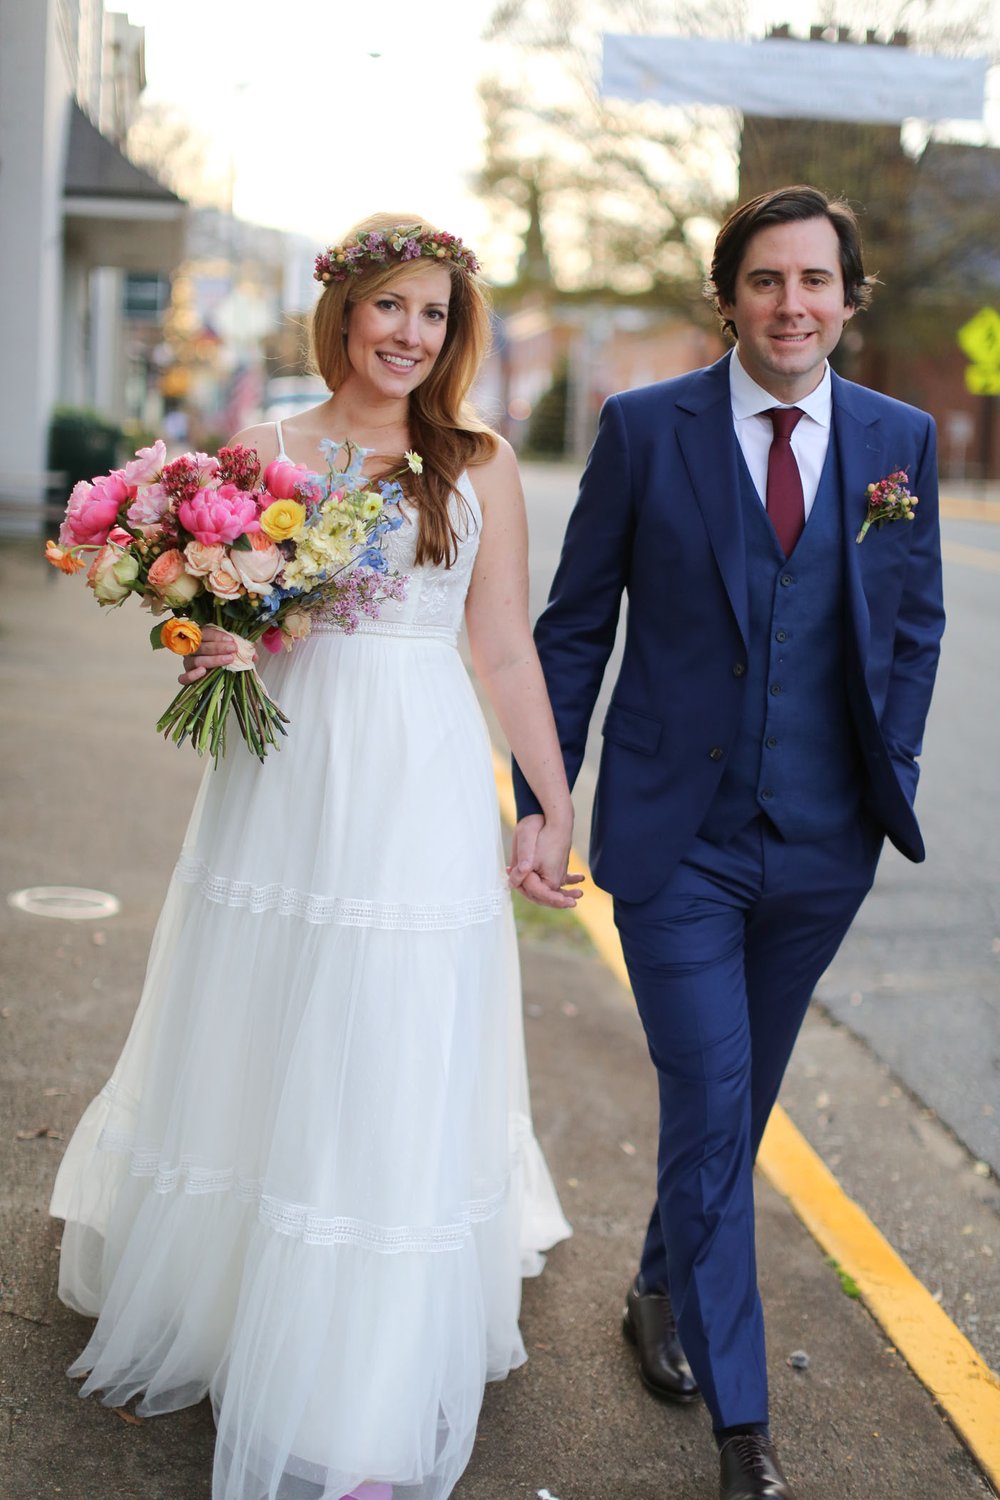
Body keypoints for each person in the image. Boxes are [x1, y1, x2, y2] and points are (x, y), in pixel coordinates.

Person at [50, 214, 580, 1500]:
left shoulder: (480, 462)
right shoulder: (262, 451)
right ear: (341, 310)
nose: (410, 334)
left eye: (436, 314)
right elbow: (236, 619)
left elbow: (503, 648)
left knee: (394, 1018)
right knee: (271, 991)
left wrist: (548, 803)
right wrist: (216, 644)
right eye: (390, 306)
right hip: (289, 767)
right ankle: (240, 1282)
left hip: (418, 766)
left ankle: (362, 1354)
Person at [511, 185, 945, 1499]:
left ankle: (655, 1288)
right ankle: (743, 1428)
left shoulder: (899, 440)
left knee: (735, 1110)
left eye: (815, 281)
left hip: (823, 849)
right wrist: (543, 796)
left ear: (848, 299)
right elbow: (575, 626)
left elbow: (912, 622)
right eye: (766, 281)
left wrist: (894, 771)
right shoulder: (646, 430)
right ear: (729, 296)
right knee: (710, 1102)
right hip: (675, 842)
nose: (792, 305)